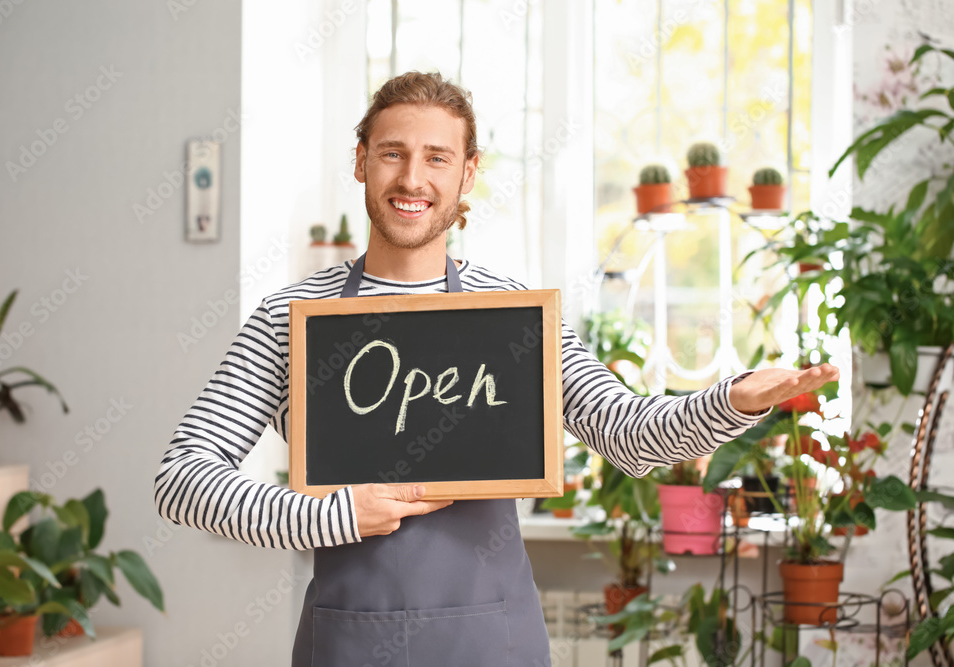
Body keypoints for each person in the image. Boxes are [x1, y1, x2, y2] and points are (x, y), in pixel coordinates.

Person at [154, 71, 839, 666]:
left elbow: (626, 433)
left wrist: (733, 401)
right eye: (392, 153)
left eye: (436, 158)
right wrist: (328, 514)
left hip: (495, 642)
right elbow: (181, 477)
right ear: (361, 161)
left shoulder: (513, 315)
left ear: (468, 172)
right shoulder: (292, 317)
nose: (412, 178)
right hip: (349, 642)